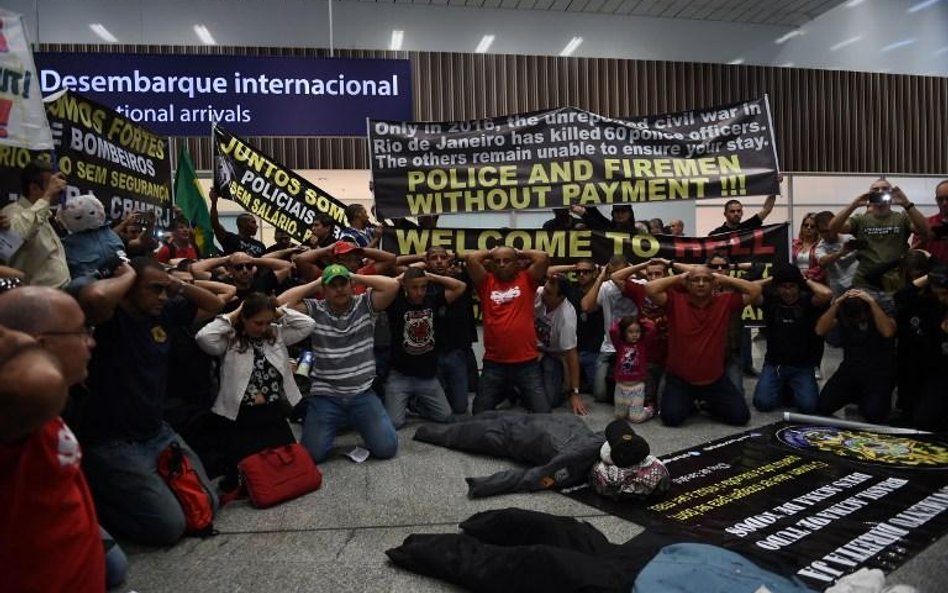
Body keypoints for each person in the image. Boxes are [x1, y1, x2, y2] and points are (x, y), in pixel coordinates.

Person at [79, 257, 226, 546]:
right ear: (128, 288)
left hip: (156, 431)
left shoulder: (163, 313)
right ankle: (97, 509)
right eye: (154, 289)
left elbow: (215, 305)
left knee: (209, 502)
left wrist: (177, 283)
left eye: (164, 290)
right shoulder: (110, 318)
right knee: (168, 528)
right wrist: (128, 275)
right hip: (114, 441)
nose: (162, 296)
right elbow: (95, 297)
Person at [0, 289, 127, 590]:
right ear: (40, 344)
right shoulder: (19, 408)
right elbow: (41, 382)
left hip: (73, 552)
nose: (91, 342)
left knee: (113, 565)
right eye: (82, 332)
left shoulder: (55, 402)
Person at [278, 263, 400, 462]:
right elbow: (280, 304)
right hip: (326, 396)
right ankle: (340, 422)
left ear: (351, 285)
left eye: (343, 283)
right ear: (324, 290)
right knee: (312, 456)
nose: (339, 288)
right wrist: (317, 282)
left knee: (387, 449)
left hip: (362, 393)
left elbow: (392, 286)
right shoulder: (315, 309)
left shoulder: (365, 305)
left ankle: (351, 421)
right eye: (332, 285)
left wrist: (355, 276)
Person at [195, 293, 315, 489]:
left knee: (288, 467)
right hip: (242, 415)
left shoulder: (275, 334)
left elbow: (307, 324)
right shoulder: (230, 338)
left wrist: (276, 311)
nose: (263, 328)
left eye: (268, 322)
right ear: (244, 318)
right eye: (258, 323)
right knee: (248, 476)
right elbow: (203, 338)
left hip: (273, 410)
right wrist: (234, 314)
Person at [645, 265, 761, 427]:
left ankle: (705, 404)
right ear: (687, 283)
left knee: (740, 418)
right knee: (671, 418)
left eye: (706, 280)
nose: (700, 283)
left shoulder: (725, 301)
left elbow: (755, 290)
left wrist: (723, 278)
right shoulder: (675, 300)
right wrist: (680, 277)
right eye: (695, 280)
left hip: (714, 380)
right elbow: (649, 288)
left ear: (714, 284)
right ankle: (692, 403)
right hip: (681, 380)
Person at [465, 246, 550, 414]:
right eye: (497, 262)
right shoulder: (485, 282)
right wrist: (493, 252)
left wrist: (517, 252)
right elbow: (471, 259)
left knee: (543, 412)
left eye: (507, 261)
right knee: (479, 413)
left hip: (526, 362)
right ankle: (510, 394)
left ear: (517, 264)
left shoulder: (527, 279)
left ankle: (514, 395)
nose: (502, 264)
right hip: (495, 363)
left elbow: (543, 257)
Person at [384, 267, 466, 428]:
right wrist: (400, 279)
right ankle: (399, 401)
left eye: (423, 287)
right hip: (400, 376)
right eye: (414, 287)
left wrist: (430, 276)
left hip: (427, 376)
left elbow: (460, 287)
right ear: (405, 287)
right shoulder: (394, 302)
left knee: (445, 416)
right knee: (395, 423)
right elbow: (378, 288)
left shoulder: (433, 299)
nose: (420, 292)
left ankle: (415, 404)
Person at [751, 264, 832, 414]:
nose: (788, 291)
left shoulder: (808, 301)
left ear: (798, 287)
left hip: (802, 367)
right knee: (762, 403)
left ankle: (789, 388)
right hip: (775, 365)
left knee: (808, 407)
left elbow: (826, 294)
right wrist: (773, 279)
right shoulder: (771, 300)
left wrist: (804, 279)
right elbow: (749, 288)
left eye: (792, 286)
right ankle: (785, 388)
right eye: (783, 286)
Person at [827, 178, 931, 292]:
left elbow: (925, 230)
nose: (880, 191)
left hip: (897, 279)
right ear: (869, 194)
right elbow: (832, 228)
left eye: (885, 189)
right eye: (875, 189)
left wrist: (906, 204)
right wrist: (854, 205)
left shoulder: (902, 217)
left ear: (891, 194)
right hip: (866, 278)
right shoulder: (860, 219)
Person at [815, 288, 896, 423]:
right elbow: (820, 330)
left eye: (861, 316)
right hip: (851, 370)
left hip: (879, 373)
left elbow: (888, 332)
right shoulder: (844, 312)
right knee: (823, 406)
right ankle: (856, 395)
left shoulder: (880, 310)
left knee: (873, 414)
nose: (858, 320)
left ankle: (865, 398)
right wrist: (836, 304)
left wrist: (871, 302)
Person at [581, 256, 640, 404]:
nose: (617, 278)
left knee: (632, 393)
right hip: (609, 347)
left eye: (622, 273)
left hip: (634, 347)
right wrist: (600, 277)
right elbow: (586, 307)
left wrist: (639, 272)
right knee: (600, 395)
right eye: (614, 274)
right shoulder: (606, 287)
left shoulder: (640, 284)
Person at [1, 160, 70, 287]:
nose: (58, 188)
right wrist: (47, 195)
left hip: (61, 292)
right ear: (33, 188)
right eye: (51, 184)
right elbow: (14, 236)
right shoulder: (12, 213)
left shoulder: (45, 213)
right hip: (37, 298)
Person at [535, 275, 587, 415]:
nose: (543, 294)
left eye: (549, 293)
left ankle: (562, 386)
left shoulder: (567, 316)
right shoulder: (538, 293)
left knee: (550, 400)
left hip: (554, 355)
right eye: (545, 289)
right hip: (530, 350)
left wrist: (575, 393)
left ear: (561, 297)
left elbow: (571, 354)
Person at [609, 315, 653, 423]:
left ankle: (649, 410)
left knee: (636, 418)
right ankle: (629, 408)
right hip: (621, 386)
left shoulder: (643, 344)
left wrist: (642, 322)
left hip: (637, 387)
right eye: (630, 332)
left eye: (637, 331)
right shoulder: (620, 345)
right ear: (624, 332)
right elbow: (612, 330)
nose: (634, 335)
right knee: (619, 416)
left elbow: (652, 330)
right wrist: (622, 322)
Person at [209, 188, 266, 257]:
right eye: (253, 222)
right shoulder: (230, 239)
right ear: (243, 224)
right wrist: (214, 203)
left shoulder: (260, 246)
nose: (256, 226)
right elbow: (215, 224)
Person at [814, 210, 858, 298]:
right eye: (824, 231)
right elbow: (822, 262)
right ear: (818, 231)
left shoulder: (849, 238)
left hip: (857, 286)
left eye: (831, 230)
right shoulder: (821, 247)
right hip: (838, 290)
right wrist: (841, 253)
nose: (829, 234)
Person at [708, 191, 778, 235]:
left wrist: (774, 186)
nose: (736, 214)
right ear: (725, 214)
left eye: (739, 211)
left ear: (742, 213)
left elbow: (766, 209)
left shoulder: (747, 227)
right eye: (732, 211)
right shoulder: (717, 234)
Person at [913, 179, 948, 265]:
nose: (944, 203)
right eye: (940, 199)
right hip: (931, 275)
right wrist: (925, 239)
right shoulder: (925, 224)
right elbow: (915, 254)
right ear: (936, 200)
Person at [792, 212, 825, 282]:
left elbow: (821, 266)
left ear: (817, 229)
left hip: (814, 281)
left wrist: (805, 275)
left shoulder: (821, 245)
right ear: (802, 227)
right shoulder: (794, 244)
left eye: (812, 226)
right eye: (806, 225)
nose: (808, 228)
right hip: (795, 281)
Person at [571, 203, 635, 233]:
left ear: (630, 213)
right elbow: (598, 217)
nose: (620, 214)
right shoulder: (610, 225)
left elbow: (602, 228)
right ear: (613, 213)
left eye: (623, 211)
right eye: (617, 211)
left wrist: (583, 214)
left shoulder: (635, 229)